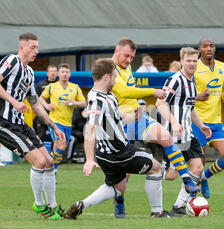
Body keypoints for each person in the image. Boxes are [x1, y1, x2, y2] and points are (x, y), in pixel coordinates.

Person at [63, 58, 172, 219]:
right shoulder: (97, 100)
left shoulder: (108, 96)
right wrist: (88, 159)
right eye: (115, 77)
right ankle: (157, 212)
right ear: (106, 77)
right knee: (156, 168)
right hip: (120, 153)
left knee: (118, 187)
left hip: (106, 155)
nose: (116, 80)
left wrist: (134, 117)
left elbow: (120, 117)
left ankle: (81, 205)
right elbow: (90, 128)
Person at [110, 38, 200, 218]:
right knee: (123, 175)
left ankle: (187, 180)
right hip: (118, 123)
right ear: (116, 51)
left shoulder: (127, 68)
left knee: (165, 136)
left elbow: (131, 92)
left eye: (132, 57)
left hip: (137, 117)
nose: (129, 61)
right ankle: (119, 201)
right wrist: (153, 91)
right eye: (127, 56)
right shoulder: (109, 69)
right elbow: (124, 92)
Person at [0, 32, 67, 220]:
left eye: (38, 48)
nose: (36, 51)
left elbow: (35, 103)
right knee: (39, 162)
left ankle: (53, 206)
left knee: (48, 161)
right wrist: (14, 102)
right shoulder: (12, 61)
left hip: (20, 124)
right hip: (4, 124)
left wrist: (53, 126)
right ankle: (39, 206)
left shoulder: (29, 72)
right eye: (33, 47)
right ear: (22, 47)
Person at [156, 47, 212, 215]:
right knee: (171, 175)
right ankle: (149, 168)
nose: (192, 64)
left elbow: (190, 107)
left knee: (197, 167)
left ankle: (179, 205)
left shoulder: (192, 82)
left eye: (195, 61)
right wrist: (173, 122)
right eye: (188, 60)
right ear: (181, 61)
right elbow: (160, 104)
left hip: (188, 134)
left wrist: (201, 125)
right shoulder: (175, 80)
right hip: (173, 135)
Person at [192, 38, 224, 199]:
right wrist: (196, 97)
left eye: (211, 46)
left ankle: (205, 177)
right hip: (198, 122)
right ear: (199, 50)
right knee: (199, 162)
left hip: (216, 122)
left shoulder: (222, 66)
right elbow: (184, 94)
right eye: (205, 46)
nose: (209, 48)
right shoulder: (194, 67)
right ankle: (192, 200)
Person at [38, 63, 87, 170]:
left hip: (68, 123)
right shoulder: (51, 87)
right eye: (62, 72)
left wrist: (75, 102)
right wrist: (47, 105)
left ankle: (49, 164)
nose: (64, 74)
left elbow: (83, 103)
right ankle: (53, 170)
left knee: (61, 146)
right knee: (59, 144)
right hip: (55, 122)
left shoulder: (75, 88)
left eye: (67, 72)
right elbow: (40, 99)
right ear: (58, 74)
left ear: (70, 75)